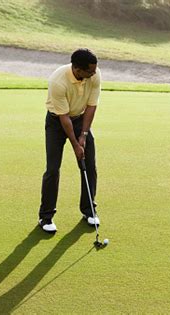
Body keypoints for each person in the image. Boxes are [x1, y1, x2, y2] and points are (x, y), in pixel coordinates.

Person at [38, 48, 102, 233]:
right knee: (52, 169)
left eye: (94, 70)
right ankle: (46, 217)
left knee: (89, 165)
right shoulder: (58, 81)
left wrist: (83, 135)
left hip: (80, 119)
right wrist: (75, 144)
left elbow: (91, 107)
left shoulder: (94, 74)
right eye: (89, 71)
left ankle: (89, 210)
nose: (93, 73)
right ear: (77, 69)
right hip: (56, 122)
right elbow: (63, 117)